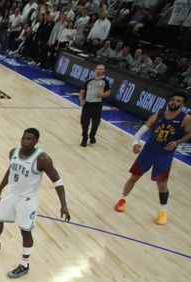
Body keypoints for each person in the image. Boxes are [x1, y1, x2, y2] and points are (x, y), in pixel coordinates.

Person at [0, 128, 70, 278]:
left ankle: (24, 265)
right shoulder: (14, 152)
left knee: (25, 231)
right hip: (11, 194)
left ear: (36, 141)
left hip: (27, 200)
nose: (25, 141)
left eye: (30, 139)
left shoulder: (42, 159)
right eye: (24, 138)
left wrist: (63, 204)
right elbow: (10, 171)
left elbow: (57, 181)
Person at [114, 92, 191, 225]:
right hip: (148, 151)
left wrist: (177, 142)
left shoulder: (186, 118)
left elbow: (189, 133)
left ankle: (163, 212)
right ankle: (122, 199)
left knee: (162, 184)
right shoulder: (159, 114)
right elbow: (142, 130)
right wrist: (135, 142)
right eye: (173, 100)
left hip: (164, 154)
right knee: (133, 177)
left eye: (178, 101)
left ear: (182, 104)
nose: (174, 102)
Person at [78, 64, 111, 146]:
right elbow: (81, 92)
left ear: (103, 71)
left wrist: (102, 94)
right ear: (95, 70)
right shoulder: (88, 80)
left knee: (95, 123)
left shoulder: (105, 81)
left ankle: (92, 135)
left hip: (97, 105)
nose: (99, 70)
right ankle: (84, 137)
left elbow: (108, 92)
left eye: (101, 69)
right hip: (87, 104)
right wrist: (81, 100)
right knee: (84, 123)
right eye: (98, 69)